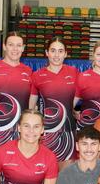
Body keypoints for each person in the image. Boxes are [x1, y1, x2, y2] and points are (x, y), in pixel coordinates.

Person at [29, 37, 79, 168]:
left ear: (66, 54)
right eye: (53, 50)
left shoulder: (74, 73)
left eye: (60, 51)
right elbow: (31, 107)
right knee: (45, 171)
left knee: (66, 175)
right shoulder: (37, 75)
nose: (56, 55)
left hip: (68, 131)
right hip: (46, 131)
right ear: (47, 52)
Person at [0, 31, 34, 152]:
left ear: (23, 48)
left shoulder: (28, 71)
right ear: (4, 46)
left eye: (19, 45)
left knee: (19, 165)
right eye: (11, 44)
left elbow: (31, 101)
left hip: (22, 129)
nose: (15, 49)